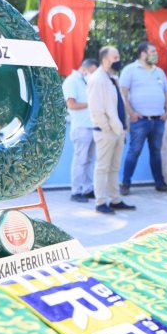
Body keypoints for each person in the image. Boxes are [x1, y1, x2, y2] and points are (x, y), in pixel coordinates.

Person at [119, 41, 167, 195]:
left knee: (156, 152)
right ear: (143, 53)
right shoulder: (130, 70)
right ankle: (125, 184)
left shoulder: (159, 72)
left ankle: (160, 183)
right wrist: (131, 113)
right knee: (134, 151)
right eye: (152, 52)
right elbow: (123, 92)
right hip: (140, 120)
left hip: (158, 120)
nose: (155, 54)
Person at [87, 46, 135, 214]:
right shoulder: (97, 79)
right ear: (105, 59)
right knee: (102, 167)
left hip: (118, 131)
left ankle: (115, 200)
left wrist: (122, 128)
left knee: (114, 168)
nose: (118, 60)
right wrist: (106, 127)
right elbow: (96, 108)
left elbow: (118, 105)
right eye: (115, 57)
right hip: (106, 132)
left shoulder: (112, 78)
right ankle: (100, 202)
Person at [63, 57, 99, 202]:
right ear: (85, 68)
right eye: (93, 71)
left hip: (93, 125)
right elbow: (71, 104)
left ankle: (88, 188)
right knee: (80, 159)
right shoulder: (72, 81)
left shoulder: (88, 81)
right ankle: (76, 191)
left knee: (90, 160)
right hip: (81, 127)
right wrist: (92, 103)